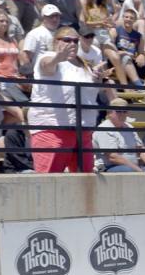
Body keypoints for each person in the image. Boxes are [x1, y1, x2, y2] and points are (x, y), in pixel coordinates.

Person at [30, 26, 105, 173]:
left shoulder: (85, 65)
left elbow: (90, 95)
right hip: (53, 129)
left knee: (84, 180)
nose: (72, 44)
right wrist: (58, 57)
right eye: (67, 40)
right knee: (49, 180)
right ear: (55, 41)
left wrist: (98, 79)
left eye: (76, 41)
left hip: (82, 131)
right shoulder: (47, 56)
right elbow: (46, 67)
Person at [93, 98, 145, 172]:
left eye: (124, 111)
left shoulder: (129, 127)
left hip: (132, 167)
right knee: (128, 171)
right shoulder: (104, 128)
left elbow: (141, 149)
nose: (122, 114)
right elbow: (113, 157)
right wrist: (138, 170)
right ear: (110, 112)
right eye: (118, 111)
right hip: (108, 167)